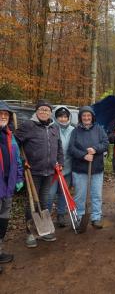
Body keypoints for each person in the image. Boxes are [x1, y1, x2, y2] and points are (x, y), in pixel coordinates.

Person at [15, 99, 63, 248]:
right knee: (31, 203)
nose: (44, 112)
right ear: (36, 111)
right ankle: (30, 232)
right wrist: (22, 160)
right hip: (33, 171)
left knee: (44, 201)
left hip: (49, 171)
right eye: (41, 109)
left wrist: (60, 162)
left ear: (50, 112)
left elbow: (59, 147)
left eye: (47, 110)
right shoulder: (28, 126)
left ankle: (44, 231)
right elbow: (14, 144)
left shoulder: (54, 127)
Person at [69, 106, 109, 229]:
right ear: (80, 118)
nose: (86, 118)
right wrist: (83, 156)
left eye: (89, 116)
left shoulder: (99, 129)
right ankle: (81, 217)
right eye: (84, 116)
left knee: (96, 194)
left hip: (96, 168)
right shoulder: (75, 131)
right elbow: (71, 149)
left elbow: (106, 144)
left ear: (92, 117)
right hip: (80, 169)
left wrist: (95, 149)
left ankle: (96, 217)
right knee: (80, 195)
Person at [0, 101, 23, 273]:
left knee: (3, 220)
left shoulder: (10, 135)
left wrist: (19, 178)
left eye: (6, 115)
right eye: (0, 114)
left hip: (7, 186)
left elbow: (17, 160)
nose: (3, 117)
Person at [48, 106, 74, 227]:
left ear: (68, 118)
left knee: (64, 193)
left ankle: (61, 215)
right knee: (50, 194)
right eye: (60, 116)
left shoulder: (73, 130)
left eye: (65, 117)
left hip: (67, 168)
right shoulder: (51, 129)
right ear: (56, 117)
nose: (63, 119)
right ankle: (46, 216)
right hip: (53, 169)